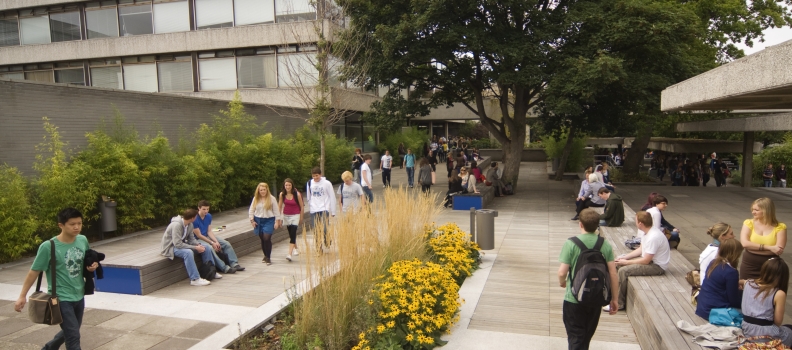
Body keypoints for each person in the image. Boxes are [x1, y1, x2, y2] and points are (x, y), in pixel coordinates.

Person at [15, 208, 99, 350]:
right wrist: (22, 296)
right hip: (60, 298)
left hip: (79, 294)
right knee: (73, 336)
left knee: (71, 330)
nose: (77, 227)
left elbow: (86, 261)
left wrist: (91, 266)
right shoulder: (49, 246)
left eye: (79, 223)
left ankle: (48, 348)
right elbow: (33, 272)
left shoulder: (82, 240)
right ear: (61, 225)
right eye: (72, 224)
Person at [557, 208, 619, 350]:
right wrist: (614, 299)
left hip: (573, 298)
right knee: (585, 337)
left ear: (580, 224)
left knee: (575, 337)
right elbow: (613, 274)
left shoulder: (571, 243)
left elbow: (562, 272)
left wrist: (563, 283)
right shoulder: (604, 244)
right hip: (596, 297)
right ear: (597, 225)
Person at [606, 211, 670, 312]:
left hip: (657, 266)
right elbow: (641, 249)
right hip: (649, 261)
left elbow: (646, 261)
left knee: (623, 271)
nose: (635, 223)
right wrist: (624, 258)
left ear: (640, 223)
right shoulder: (647, 233)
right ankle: (610, 296)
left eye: (636, 221)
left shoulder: (654, 237)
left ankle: (619, 303)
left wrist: (625, 263)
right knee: (616, 265)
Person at [741, 258, 792, 346]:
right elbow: (778, 322)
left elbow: (741, 282)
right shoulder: (778, 293)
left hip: (747, 330)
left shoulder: (748, 283)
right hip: (767, 335)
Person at [160, 208, 216, 284]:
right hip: (170, 247)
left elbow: (191, 239)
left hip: (180, 245)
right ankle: (195, 279)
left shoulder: (190, 225)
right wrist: (195, 248)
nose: (196, 218)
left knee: (206, 247)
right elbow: (177, 244)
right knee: (188, 252)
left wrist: (198, 245)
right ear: (192, 218)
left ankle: (211, 271)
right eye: (196, 217)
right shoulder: (176, 225)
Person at [695, 239, 744, 320]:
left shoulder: (713, 263)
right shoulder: (731, 272)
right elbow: (733, 300)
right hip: (715, 311)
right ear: (735, 254)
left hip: (703, 307)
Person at [740, 197, 787, 279]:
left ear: (766, 211)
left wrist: (753, 247)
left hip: (770, 265)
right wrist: (769, 248)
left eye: (756, 210)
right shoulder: (748, 223)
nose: (753, 212)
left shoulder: (780, 227)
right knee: (746, 288)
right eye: (752, 209)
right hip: (749, 264)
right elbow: (745, 244)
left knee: (769, 290)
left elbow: (778, 250)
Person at [193, 200, 244, 274]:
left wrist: (216, 241)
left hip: (207, 236)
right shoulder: (195, 219)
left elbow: (209, 231)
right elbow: (199, 235)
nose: (206, 211)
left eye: (207, 209)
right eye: (204, 209)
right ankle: (224, 268)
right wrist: (212, 243)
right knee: (210, 248)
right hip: (198, 239)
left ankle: (234, 264)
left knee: (226, 244)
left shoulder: (209, 216)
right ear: (199, 208)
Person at [306, 167, 337, 251]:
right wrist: (311, 205)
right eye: (313, 176)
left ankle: (327, 239)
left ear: (320, 174)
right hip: (314, 208)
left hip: (324, 207)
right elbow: (309, 196)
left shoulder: (327, 183)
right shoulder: (309, 183)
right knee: (316, 229)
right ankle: (318, 247)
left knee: (324, 227)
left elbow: (332, 196)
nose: (315, 178)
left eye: (317, 175)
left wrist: (333, 210)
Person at [249, 182, 279, 265]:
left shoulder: (272, 199)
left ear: (267, 190)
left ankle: (268, 257)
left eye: (264, 190)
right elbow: (251, 210)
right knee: (262, 238)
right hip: (258, 220)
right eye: (261, 190)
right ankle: (265, 255)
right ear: (258, 191)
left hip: (269, 220)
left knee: (267, 237)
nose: (262, 191)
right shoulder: (256, 198)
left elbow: (276, 211)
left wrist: (277, 221)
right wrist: (252, 220)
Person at [699, 222, 734, 288]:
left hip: (706, 288)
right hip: (712, 290)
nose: (734, 236)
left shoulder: (710, 247)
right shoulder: (717, 253)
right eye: (731, 234)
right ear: (722, 236)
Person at [277, 178, 304, 262]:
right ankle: (295, 247)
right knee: (291, 233)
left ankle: (289, 254)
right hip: (286, 215)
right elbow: (280, 206)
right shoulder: (282, 194)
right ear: (284, 186)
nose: (287, 187)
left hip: (296, 215)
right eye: (286, 185)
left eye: (289, 185)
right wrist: (278, 219)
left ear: (292, 185)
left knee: (293, 232)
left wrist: (301, 217)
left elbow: (302, 206)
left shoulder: (297, 194)